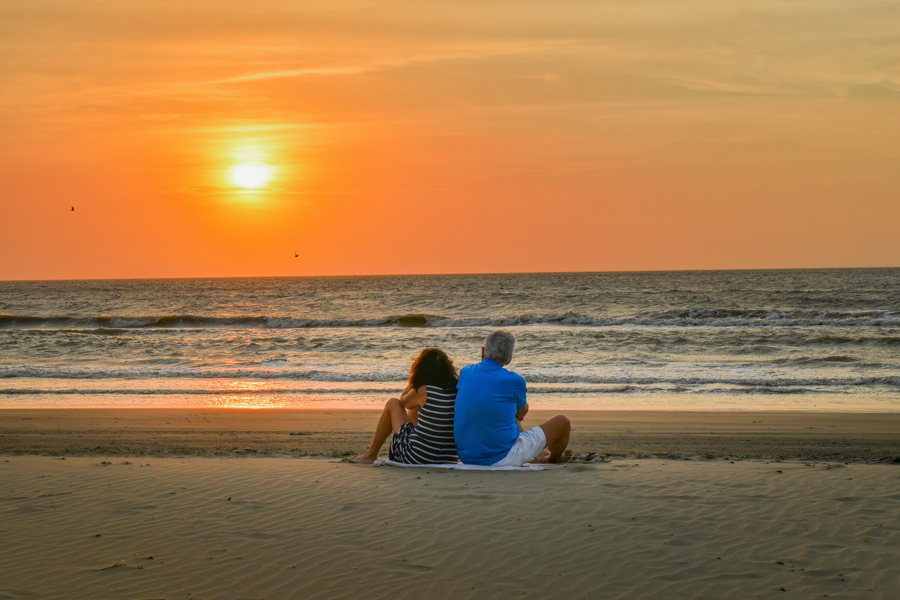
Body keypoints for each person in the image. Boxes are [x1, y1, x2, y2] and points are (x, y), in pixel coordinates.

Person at [454, 330, 572, 466]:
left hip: (467, 456)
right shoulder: (515, 381)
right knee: (563, 421)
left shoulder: (465, 371)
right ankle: (552, 458)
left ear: (482, 352)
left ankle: (540, 452)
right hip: (502, 458)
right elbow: (522, 412)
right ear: (509, 359)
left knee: (501, 411)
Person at [349, 348, 459, 464]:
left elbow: (404, 401)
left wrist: (414, 382)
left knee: (393, 403)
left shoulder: (423, 390)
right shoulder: (457, 389)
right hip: (448, 458)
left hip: (416, 457)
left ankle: (371, 454)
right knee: (416, 407)